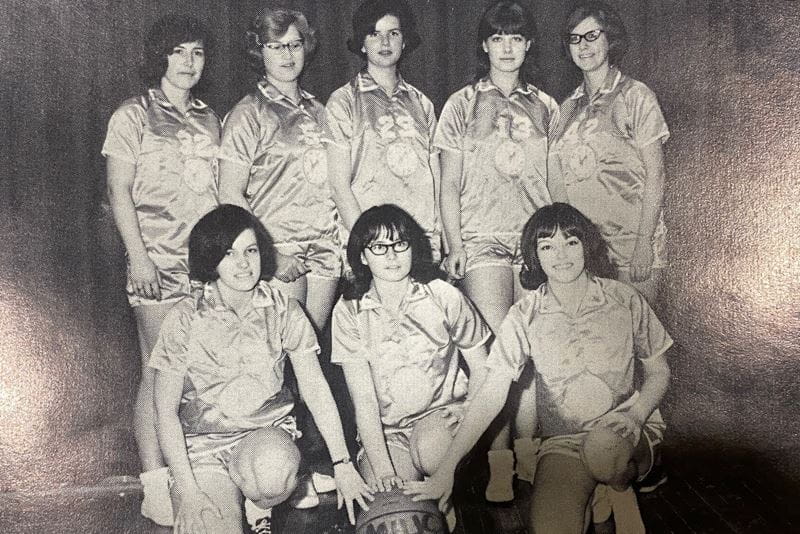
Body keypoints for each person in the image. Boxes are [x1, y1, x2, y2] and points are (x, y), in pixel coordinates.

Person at [405, 203, 671, 534]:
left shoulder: (625, 298)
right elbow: (491, 392)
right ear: (534, 256)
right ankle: (597, 493)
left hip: (626, 433)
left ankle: (620, 488)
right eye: (547, 246)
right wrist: (447, 469)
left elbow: (659, 371)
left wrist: (637, 413)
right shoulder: (524, 314)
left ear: (587, 244)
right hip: (565, 443)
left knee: (603, 451)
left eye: (571, 242)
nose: (561, 255)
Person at [150, 205, 373, 534]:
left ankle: (259, 502)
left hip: (264, 435)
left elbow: (314, 386)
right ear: (211, 259)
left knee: (273, 474)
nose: (243, 264)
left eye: (250, 251)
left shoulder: (283, 307)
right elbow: (164, 411)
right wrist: (190, 490)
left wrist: (342, 462)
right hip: (202, 448)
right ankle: (228, 502)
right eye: (229, 253)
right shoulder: (185, 316)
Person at [433, 0, 559, 501]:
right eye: (498, 38)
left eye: (516, 39)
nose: (507, 48)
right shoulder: (462, 104)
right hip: (482, 238)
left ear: (528, 45)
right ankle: (499, 461)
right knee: (495, 359)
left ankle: (530, 453)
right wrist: (455, 243)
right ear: (485, 45)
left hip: (533, 241)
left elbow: (555, 179)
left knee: (530, 354)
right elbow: (448, 184)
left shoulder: (546, 105)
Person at [101, 14, 220, 526]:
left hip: (202, 266)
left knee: (198, 374)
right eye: (178, 52)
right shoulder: (132, 114)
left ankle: (197, 474)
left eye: (196, 52)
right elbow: (117, 192)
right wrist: (140, 257)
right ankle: (154, 483)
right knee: (158, 372)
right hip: (156, 261)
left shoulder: (209, 117)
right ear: (160, 57)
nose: (189, 62)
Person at [330, 204, 491, 527]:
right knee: (391, 511)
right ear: (362, 256)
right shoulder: (348, 312)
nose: (391, 256)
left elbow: (483, 367)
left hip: (439, 420)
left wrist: (469, 406)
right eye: (379, 247)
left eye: (399, 244)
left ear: (412, 247)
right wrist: (385, 470)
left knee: (433, 451)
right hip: (387, 432)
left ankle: (451, 506)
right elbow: (364, 400)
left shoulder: (443, 295)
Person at [218, 7, 340, 333]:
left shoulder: (321, 111)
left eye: (294, 45)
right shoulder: (248, 112)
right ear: (260, 51)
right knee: (280, 357)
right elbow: (228, 192)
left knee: (309, 354)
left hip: (325, 250)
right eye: (276, 46)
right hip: (282, 247)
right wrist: (269, 253)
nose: (287, 55)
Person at [548, 1, 669, 307]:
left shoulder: (635, 95)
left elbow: (656, 174)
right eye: (574, 39)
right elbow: (557, 183)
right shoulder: (565, 109)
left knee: (639, 343)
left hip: (632, 247)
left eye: (591, 36)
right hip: (585, 252)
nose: (583, 46)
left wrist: (643, 244)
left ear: (609, 38)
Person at [325, 0, 440, 260]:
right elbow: (338, 186)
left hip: (418, 241)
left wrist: (437, 238)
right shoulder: (343, 101)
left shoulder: (422, 103)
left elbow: (436, 179)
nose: (385, 43)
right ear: (362, 44)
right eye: (374, 34)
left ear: (405, 41)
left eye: (393, 33)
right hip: (371, 243)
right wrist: (365, 243)